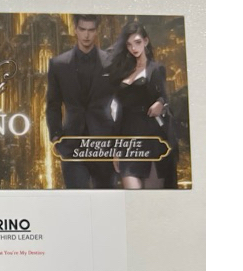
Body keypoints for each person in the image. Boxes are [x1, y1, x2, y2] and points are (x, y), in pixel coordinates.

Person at [45, 15, 116, 188]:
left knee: (105, 199)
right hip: (72, 144)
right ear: (75, 30)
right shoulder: (58, 64)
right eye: (83, 29)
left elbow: (122, 102)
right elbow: (53, 105)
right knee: (76, 199)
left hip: (104, 145)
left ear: (96, 31)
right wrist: (56, 136)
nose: (86, 35)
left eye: (91, 30)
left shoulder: (112, 63)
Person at [108, 20, 175, 189]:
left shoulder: (156, 69)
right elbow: (118, 113)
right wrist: (116, 149)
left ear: (146, 41)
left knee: (151, 199)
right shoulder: (123, 71)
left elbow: (164, 96)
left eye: (137, 42)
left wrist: (160, 103)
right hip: (128, 140)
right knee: (132, 196)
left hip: (151, 137)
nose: (134, 48)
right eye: (129, 44)